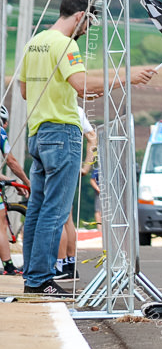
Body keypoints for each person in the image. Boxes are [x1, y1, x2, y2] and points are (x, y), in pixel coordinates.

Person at [19, 0, 156, 297]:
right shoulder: (66, 45)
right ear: (80, 16)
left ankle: (33, 276)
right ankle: (41, 279)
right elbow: (81, 84)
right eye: (88, 24)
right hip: (62, 133)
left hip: (38, 133)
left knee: (38, 211)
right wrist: (128, 77)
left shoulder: (35, 42)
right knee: (55, 211)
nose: (86, 31)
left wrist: (68, 92)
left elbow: (26, 91)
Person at [55, 107, 97, 282]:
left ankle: (60, 265)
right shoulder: (78, 109)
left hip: (58, 162)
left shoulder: (56, 103)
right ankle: (69, 264)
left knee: (58, 216)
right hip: (72, 164)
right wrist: (87, 166)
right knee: (68, 217)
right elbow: (93, 138)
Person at [0, 105, 30, 275]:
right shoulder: (0, 132)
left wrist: (7, 179)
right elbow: (11, 160)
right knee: (1, 224)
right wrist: (26, 181)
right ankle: (9, 267)